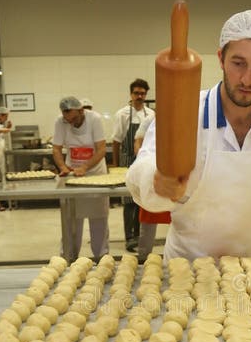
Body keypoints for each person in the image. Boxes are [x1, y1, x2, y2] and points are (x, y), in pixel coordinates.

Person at [126, 10, 251, 262]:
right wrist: (156, 179)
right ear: (221, 58)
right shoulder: (183, 114)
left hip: (250, 274)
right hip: (185, 270)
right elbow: (143, 168)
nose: (247, 78)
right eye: (238, 63)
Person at [52, 95, 109, 260]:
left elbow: (101, 149)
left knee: (98, 217)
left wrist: (85, 167)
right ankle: (69, 256)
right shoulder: (60, 121)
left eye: (75, 118)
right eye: (67, 120)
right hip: (73, 174)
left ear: (81, 110)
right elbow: (56, 149)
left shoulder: (95, 119)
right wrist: (63, 167)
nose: (71, 123)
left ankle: (101, 257)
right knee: (71, 218)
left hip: (96, 173)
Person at [111, 79, 155, 252]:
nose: (139, 96)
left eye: (142, 93)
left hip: (144, 162)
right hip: (127, 159)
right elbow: (116, 141)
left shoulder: (150, 114)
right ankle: (129, 237)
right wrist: (115, 164)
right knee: (128, 200)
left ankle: (139, 236)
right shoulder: (122, 114)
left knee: (142, 199)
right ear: (131, 94)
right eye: (136, 93)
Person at [133, 111, 171, 263]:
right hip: (151, 174)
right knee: (148, 220)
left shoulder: (183, 117)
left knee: (179, 219)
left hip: (174, 174)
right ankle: (143, 258)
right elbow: (138, 142)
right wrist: (144, 162)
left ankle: (175, 259)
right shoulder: (149, 120)